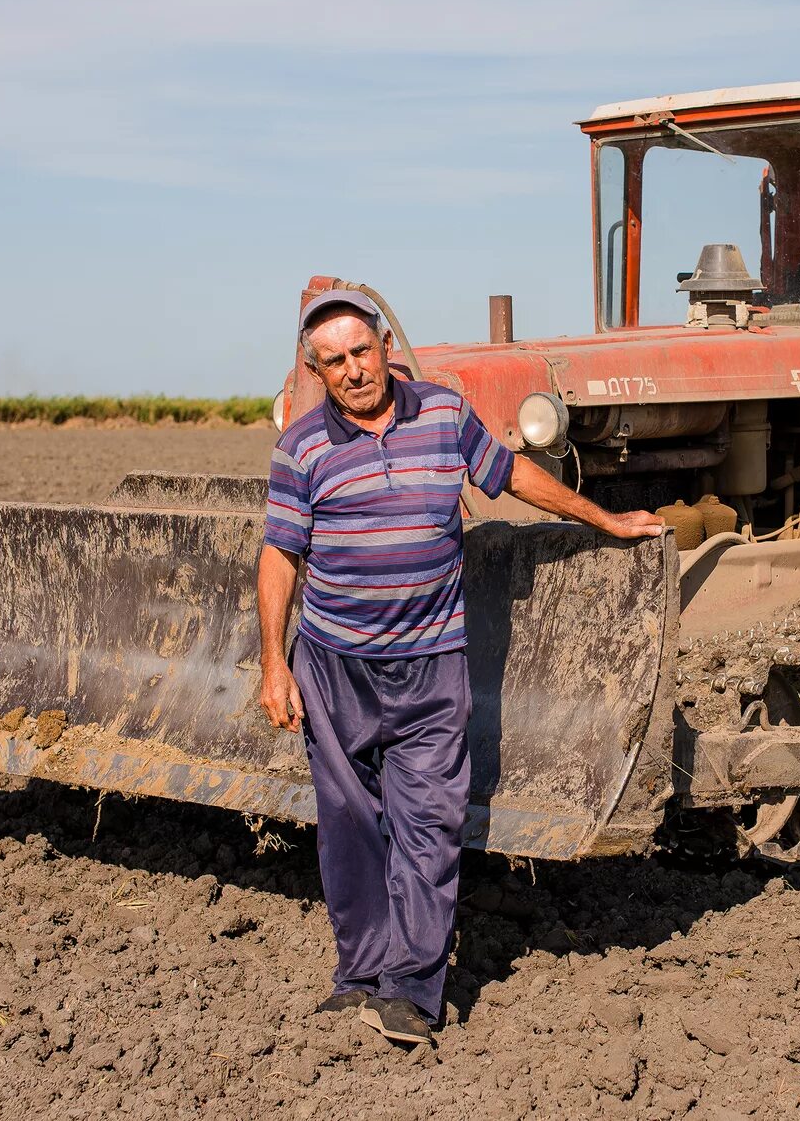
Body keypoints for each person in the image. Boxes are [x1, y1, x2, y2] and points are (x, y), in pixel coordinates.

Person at [256, 290, 663, 1045]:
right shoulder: (303, 446)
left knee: (428, 824)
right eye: (333, 361)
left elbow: (510, 473)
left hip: (429, 664)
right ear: (317, 368)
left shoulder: (444, 415)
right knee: (347, 826)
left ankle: (410, 988)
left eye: (361, 352)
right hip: (335, 666)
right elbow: (281, 553)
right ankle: (359, 975)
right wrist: (273, 664)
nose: (352, 370)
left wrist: (603, 517)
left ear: (385, 345)